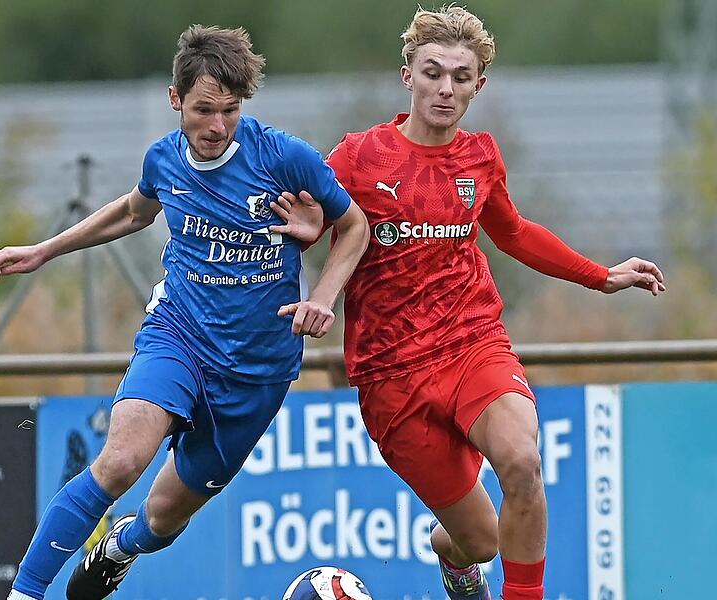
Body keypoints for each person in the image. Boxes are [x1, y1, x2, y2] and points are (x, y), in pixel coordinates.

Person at [281, 6, 665, 600]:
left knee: (522, 462)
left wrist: (600, 276)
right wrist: (304, 240)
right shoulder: (358, 157)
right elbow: (302, 218)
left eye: (461, 77)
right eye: (433, 72)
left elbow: (512, 231)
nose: (446, 88)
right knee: (481, 542)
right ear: (407, 74)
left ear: (478, 85)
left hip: (472, 343)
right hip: (392, 373)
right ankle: (452, 556)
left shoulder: (480, 156)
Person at [0, 25, 369, 600]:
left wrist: (321, 299)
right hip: (178, 336)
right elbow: (134, 211)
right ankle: (25, 593)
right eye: (204, 110)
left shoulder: (284, 157)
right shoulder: (164, 160)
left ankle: (119, 548)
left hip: (257, 369)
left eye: (230, 111)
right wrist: (44, 250)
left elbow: (354, 225)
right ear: (175, 100)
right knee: (119, 462)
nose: (217, 126)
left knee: (163, 517)